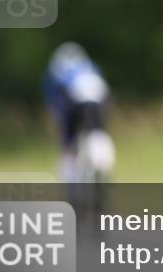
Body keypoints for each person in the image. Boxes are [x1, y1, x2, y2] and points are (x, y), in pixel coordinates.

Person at [42, 42, 115, 184]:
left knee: (69, 143)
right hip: (100, 100)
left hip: (74, 102)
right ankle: (101, 166)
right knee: (99, 132)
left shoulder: (56, 72)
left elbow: (56, 105)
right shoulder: (92, 67)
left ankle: (71, 179)